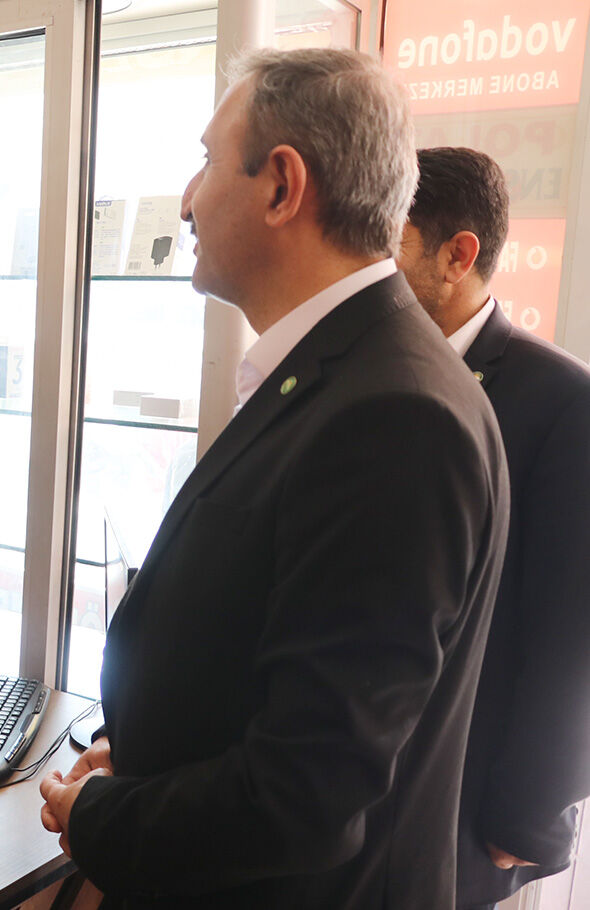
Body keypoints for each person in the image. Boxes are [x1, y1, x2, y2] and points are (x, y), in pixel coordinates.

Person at [39, 49, 509, 908]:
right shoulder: (350, 372)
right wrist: (147, 761)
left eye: (208, 161)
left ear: (283, 186)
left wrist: (106, 816)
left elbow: (306, 793)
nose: (187, 199)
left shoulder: (393, 414)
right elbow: (265, 660)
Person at [399, 146, 590, 910]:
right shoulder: (368, 372)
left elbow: (570, 631)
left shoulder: (564, 399)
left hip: (468, 801)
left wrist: (531, 815)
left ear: (458, 255)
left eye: (388, 243)